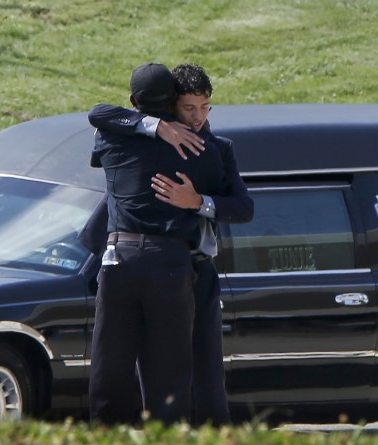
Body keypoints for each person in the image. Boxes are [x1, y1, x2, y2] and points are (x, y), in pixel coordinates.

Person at [85, 64, 253, 426]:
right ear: (172, 104)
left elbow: (98, 113)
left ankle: (112, 439)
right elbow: (101, 113)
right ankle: (169, 440)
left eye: (205, 107)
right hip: (171, 265)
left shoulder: (113, 140)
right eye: (189, 108)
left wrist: (198, 201)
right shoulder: (206, 150)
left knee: (124, 360)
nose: (197, 117)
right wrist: (158, 128)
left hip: (162, 264)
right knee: (169, 368)